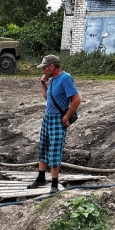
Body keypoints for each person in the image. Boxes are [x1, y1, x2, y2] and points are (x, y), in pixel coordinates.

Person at [28, 54, 81, 193]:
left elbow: (76, 100)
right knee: (43, 148)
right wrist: (42, 83)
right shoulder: (52, 80)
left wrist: (66, 118)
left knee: (54, 151)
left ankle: (54, 185)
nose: (43, 71)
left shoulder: (65, 78)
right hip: (47, 118)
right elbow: (48, 97)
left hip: (58, 119)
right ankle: (41, 178)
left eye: (44, 68)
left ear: (51, 67)